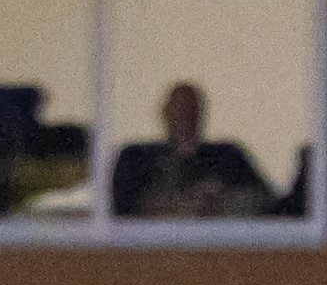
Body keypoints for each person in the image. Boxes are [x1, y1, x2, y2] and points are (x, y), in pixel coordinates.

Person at [109, 82, 281, 219]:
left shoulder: (228, 156)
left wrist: (219, 203)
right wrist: (179, 206)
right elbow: (122, 211)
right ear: (165, 113)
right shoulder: (136, 158)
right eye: (180, 111)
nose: (186, 119)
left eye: (192, 112)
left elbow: (264, 204)